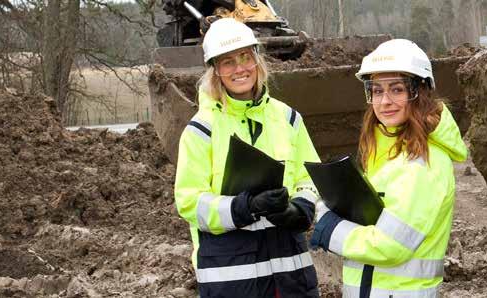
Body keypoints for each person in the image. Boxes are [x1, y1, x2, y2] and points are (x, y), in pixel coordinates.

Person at [174, 18, 320, 298]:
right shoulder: (201, 130)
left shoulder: (288, 118)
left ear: (257, 61)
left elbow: (310, 177)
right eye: (228, 62)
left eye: (245, 58)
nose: (240, 69)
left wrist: (300, 208)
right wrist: (245, 207)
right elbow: (190, 202)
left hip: (290, 276)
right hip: (232, 278)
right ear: (215, 70)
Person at [310, 39, 468, 298]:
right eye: (377, 90)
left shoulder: (424, 163)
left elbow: (391, 245)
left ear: (420, 91)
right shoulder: (385, 150)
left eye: (397, 89)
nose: (384, 101)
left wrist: (330, 228)